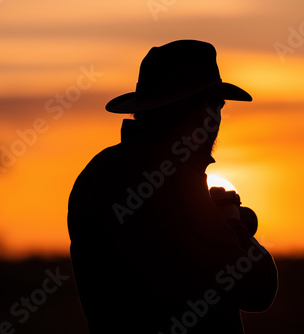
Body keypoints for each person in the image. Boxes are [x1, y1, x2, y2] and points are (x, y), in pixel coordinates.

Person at [67, 39, 278, 334]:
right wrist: (232, 220)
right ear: (182, 107)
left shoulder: (93, 174)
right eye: (208, 105)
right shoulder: (174, 182)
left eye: (218, 106)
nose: (215, 118)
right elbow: (257, 287)